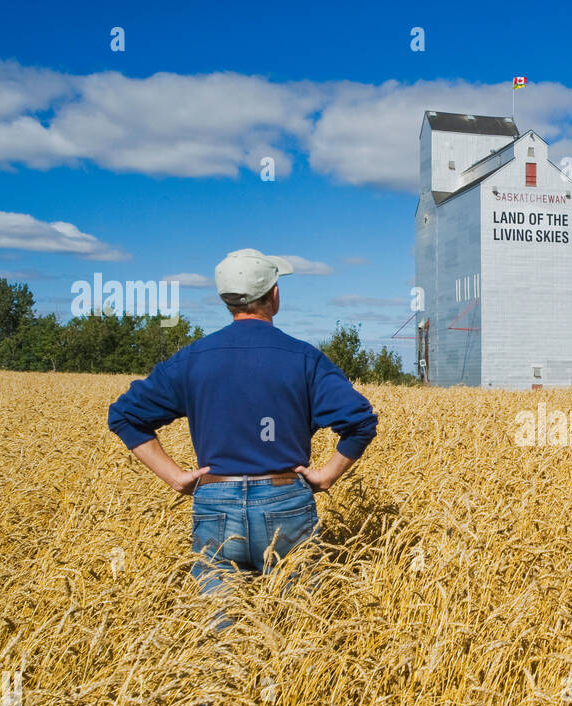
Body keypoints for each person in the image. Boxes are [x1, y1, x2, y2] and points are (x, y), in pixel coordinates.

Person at [107, 249, 378, 628]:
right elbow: (360, 420)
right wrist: (328, 475)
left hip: (215, 502)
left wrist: (174, 476)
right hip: (286, 499)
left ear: (225, 299)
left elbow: (124, 415)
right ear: (275, 295)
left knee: (223, 640)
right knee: (297, 633)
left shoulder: (192, 359)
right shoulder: (303, 358)